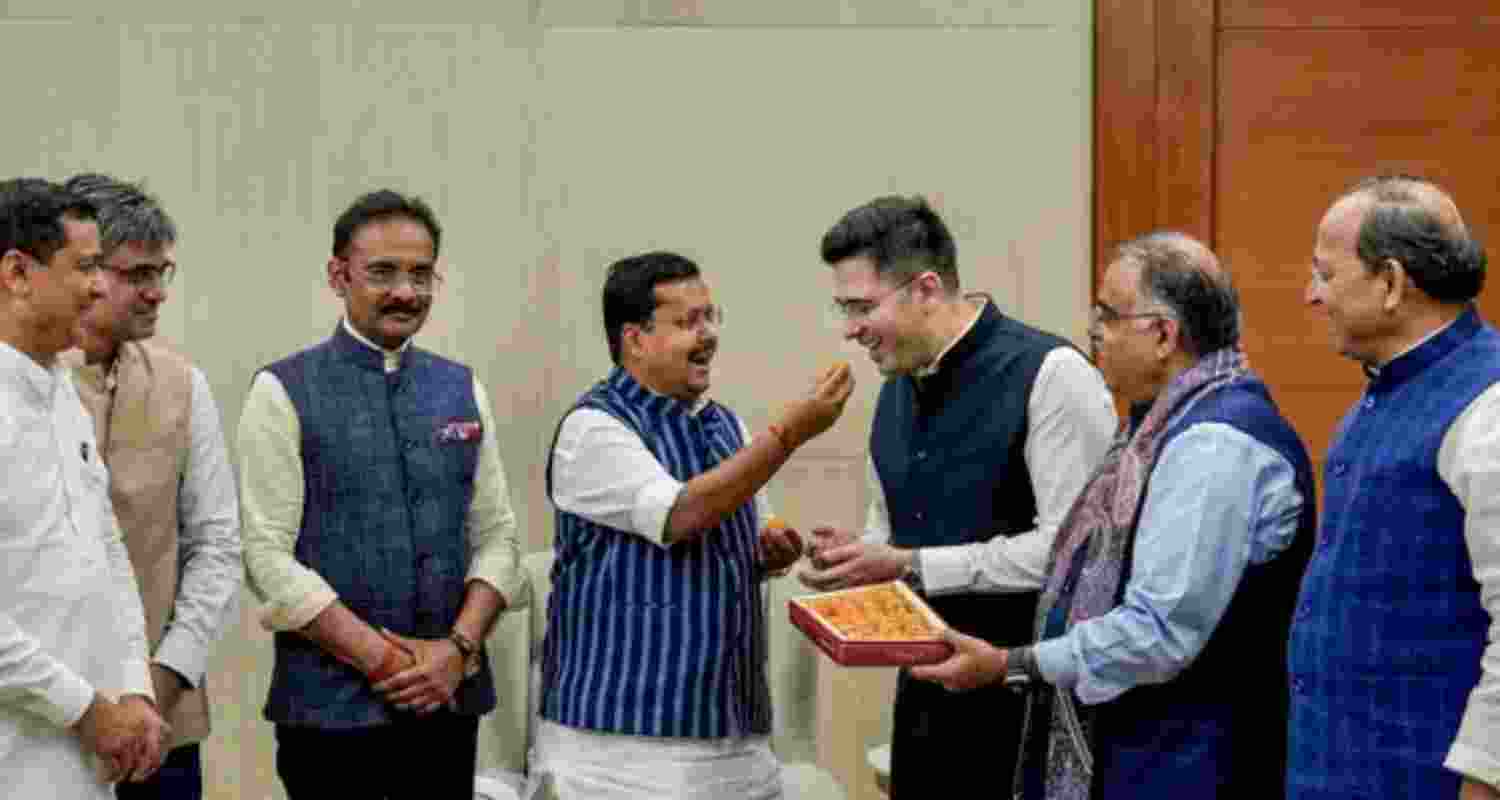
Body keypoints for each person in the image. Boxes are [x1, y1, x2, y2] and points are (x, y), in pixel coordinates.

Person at [913, 231, 1315, 800]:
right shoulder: (1154, 427)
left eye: (1108, 314)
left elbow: (1158, 632)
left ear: (1162, 334)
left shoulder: (1213, 444)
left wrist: (1012, 664)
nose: (1094, 331)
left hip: (1192, 765)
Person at [798, 195, 1117, 797]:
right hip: (924, 710)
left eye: (863, 306)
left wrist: (912, 564)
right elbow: (889, 536)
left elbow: (1073, 555)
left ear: (925, 288)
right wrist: (855, 561)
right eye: (843, 307)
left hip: (1027, 708)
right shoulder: (894, 388)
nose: (850, 328)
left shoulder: (1052, 374)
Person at [238, 189, 528, 799]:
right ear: (338, 276)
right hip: (330, 714)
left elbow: (498, 536)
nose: (405, 292)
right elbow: (266, 557)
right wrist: (384, 660)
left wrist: (456, 650)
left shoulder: (460, 387)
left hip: (449, 702)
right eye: (383, 273)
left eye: (421, 274)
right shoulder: (283, 390)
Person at [534, 251, 853, 799]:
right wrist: (790, 434)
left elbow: (746, 523)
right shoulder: (594, 428)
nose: (707, 336)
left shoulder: (723, 422)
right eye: (687, 323)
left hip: (735, 736)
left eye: (711, 317)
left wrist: (769, 547)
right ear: (634, 339)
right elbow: (682, 514)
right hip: (623, 754)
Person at [1288, 176, 1500, 800]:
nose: (1311, 296)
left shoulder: (1488, 407)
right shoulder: (1378, 399)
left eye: (1325, 274)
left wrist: (1485, 779)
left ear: (1390, 283)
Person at [61, 173, 242, 800]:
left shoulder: (182, 384)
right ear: (81, 269)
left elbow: (217, 546)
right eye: (137, 274)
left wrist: (161, 680)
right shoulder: (29, 384)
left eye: (163, 272)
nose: (156, 293)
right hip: (42, 721)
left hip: (164, 719)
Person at [0, 177, 169, 797]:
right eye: (87, 267)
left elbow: (106, 551)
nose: (102, 287)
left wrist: (132, 688)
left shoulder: (60, 395)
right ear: (18, 273)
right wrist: (86, 709)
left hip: (86, 760)